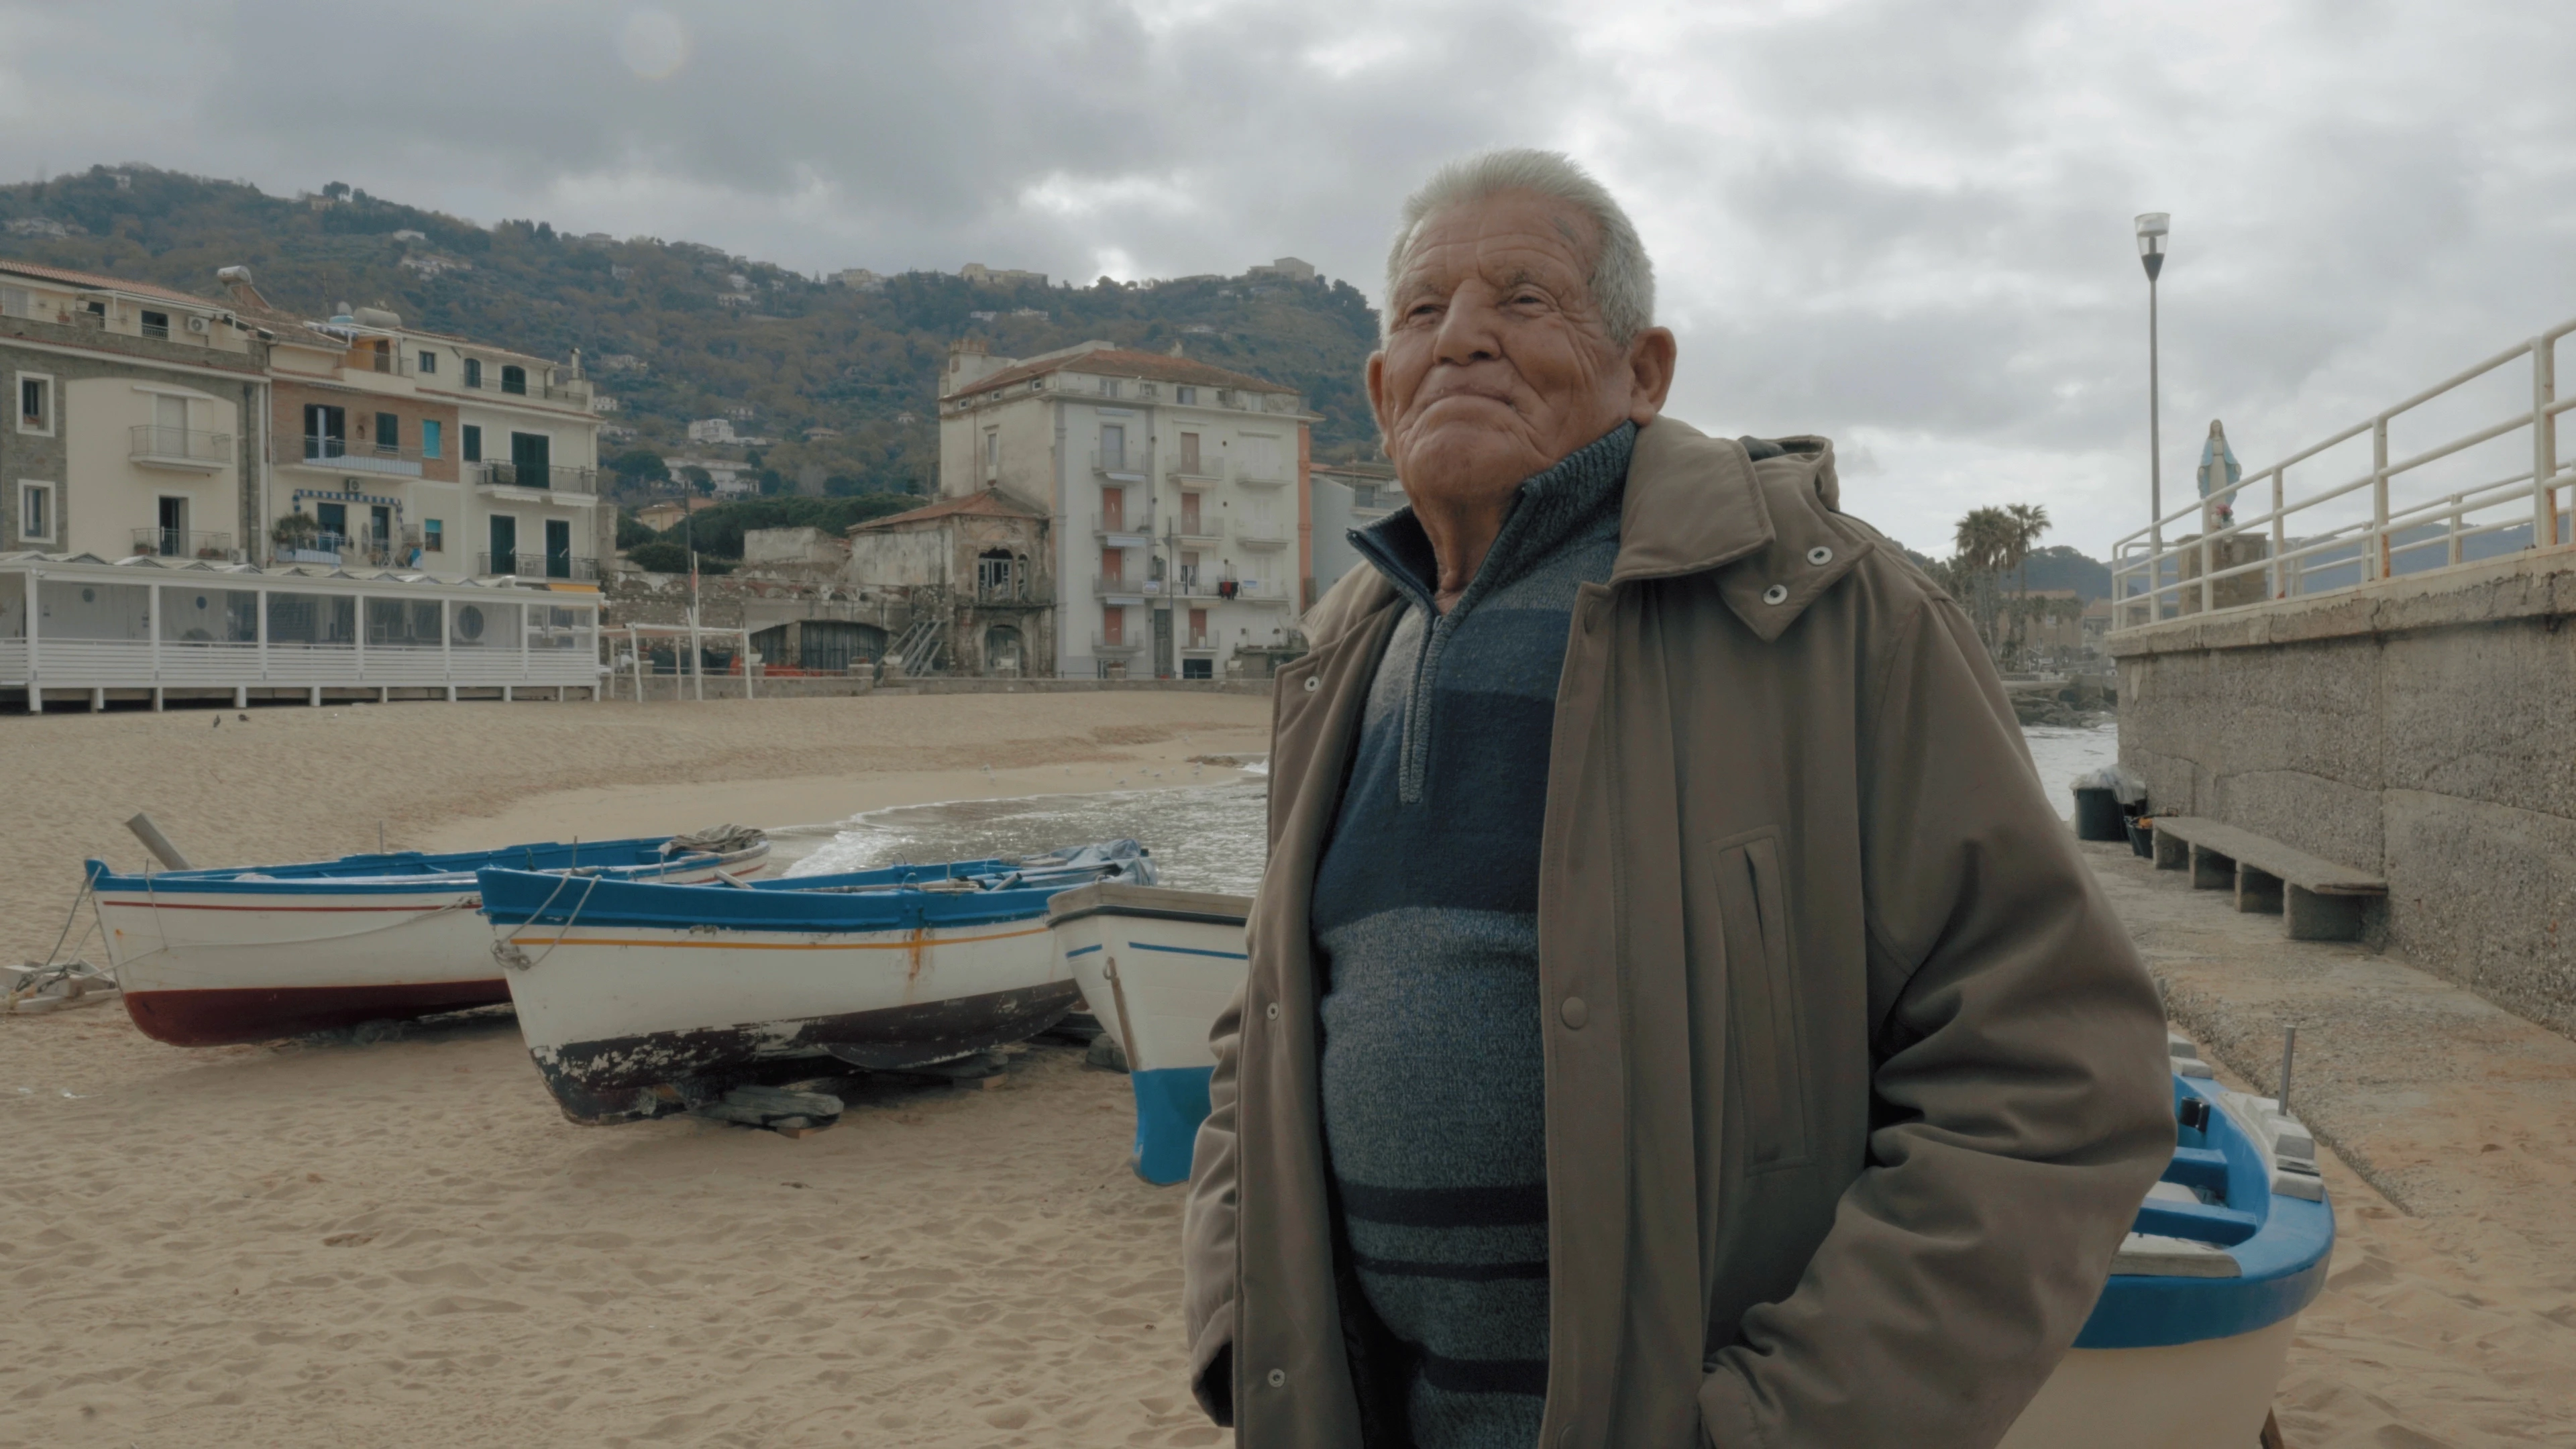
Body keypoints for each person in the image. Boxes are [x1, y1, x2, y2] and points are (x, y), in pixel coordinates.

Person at [1181, 148, 2173, 1448]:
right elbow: (1260, 1025)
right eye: (1422, 314)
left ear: (1644, 373)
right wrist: (1239, 1321)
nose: (1463, 337)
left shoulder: (1835, 614)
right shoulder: (1340, 650)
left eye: (1523, 300)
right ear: (1381, 387)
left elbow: (2054, 1074)